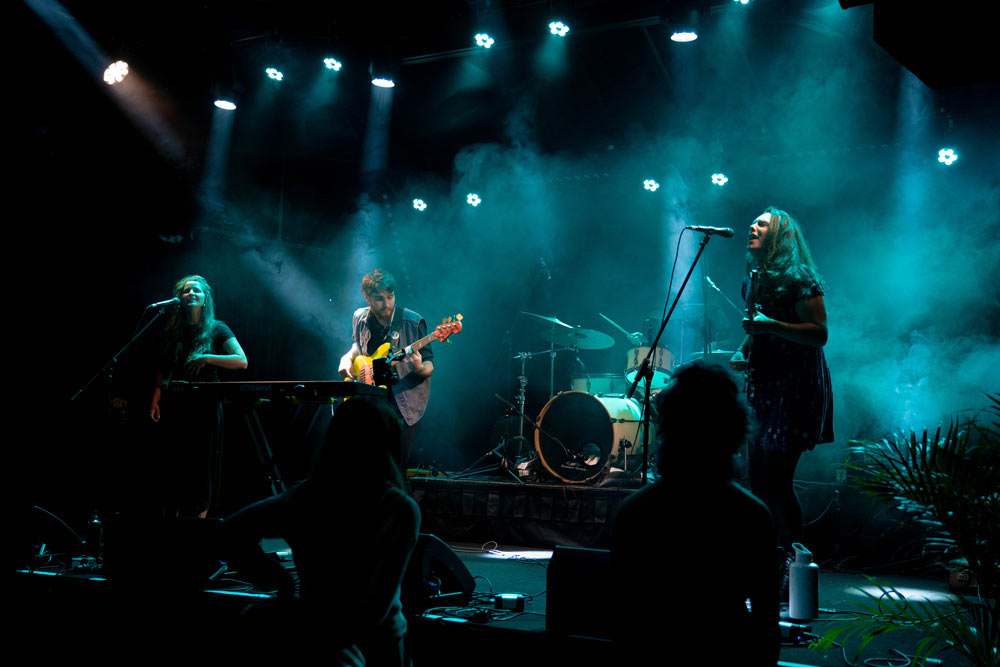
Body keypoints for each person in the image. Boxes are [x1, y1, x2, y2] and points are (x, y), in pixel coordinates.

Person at [219, 397, 421, 665]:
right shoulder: (400, 509)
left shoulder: (304, 497)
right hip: (375, 644)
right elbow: (375, 608)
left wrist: (277, 579)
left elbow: (227, 533)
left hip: (315, 637)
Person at [612, 362, 778, 664]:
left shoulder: (634, 513)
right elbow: (766, 628)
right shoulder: (753, 516)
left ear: (668, 428)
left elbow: (623, 622)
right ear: (734, 430)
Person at [729, 207, 834, 558]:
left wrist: (771, 326)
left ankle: (794, 564)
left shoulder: (798, 276)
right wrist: (742, 350)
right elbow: (758, 326)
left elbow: (819, 334)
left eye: (761, 223)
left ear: (780, 235)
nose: (752, 225)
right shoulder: (753, 278)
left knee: (776, 483)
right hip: (767, 388)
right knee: (758, 482)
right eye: (753, 220)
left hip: (796, 390)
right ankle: (765, 561)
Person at [149, 274, 248, 518]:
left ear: (205, 300)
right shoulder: (173, 332)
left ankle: (199, 526)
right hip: (177, 403)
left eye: (196, 291)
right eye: (186, 291)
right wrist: (155, 398)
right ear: (179, 299)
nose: (191, 293)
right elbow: (163, 369)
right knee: (174, 465)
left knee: (202, 466)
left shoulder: (217, 328)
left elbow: (241, 361)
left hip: (205, 403)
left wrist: (205, 357)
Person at [338, 268, 433, 463]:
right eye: (380, 298)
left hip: (403, 403)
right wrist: (347, 358)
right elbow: (357, 345)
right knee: (365, 462)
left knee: (397, 466)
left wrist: (419, 368)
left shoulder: (413, 322)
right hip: (369, 399)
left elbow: (429, 363)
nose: (387, 304)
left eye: (390, 297)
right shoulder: (359, 317)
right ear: (367, 297)